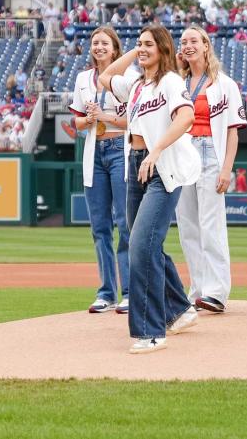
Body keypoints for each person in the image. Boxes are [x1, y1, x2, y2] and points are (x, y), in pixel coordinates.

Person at [99, 26, 202, 354]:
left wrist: (156, 150)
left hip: (163, 167)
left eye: (148, 44)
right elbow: (106, 77)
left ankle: (151, 331)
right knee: (143, 241)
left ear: (163, 48)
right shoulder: (137, 85)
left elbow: (186, 116)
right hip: (136, 164)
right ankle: (180, 309)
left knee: (142, 244)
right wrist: (135, 51)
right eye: (139, 44)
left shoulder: (170, 81)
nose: (142, 49)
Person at [175, 25, 246, 313]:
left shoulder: (224, 83)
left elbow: (233, 131)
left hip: (209, 152)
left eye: (194, 40)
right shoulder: (176, 83)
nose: (188, 45)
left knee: (211, 224)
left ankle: (216, 292)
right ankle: (198, 290)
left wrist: (226, 169)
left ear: (206, 45)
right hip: (182, 153)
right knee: (188, 226)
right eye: (183, 41)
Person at [69, 26, 131, 314]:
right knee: (100, 227)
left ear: (115, 48)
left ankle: (130, 291)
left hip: (120, 149)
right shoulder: (83, 78)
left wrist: (103, 116)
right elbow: (78, 123)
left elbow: (134, 119)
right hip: (94, 151)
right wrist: (90, 118)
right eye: (95, 43)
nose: (99, 47)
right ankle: (106, 292)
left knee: (125, 223)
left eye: (105, 43)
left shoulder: (128, 76)